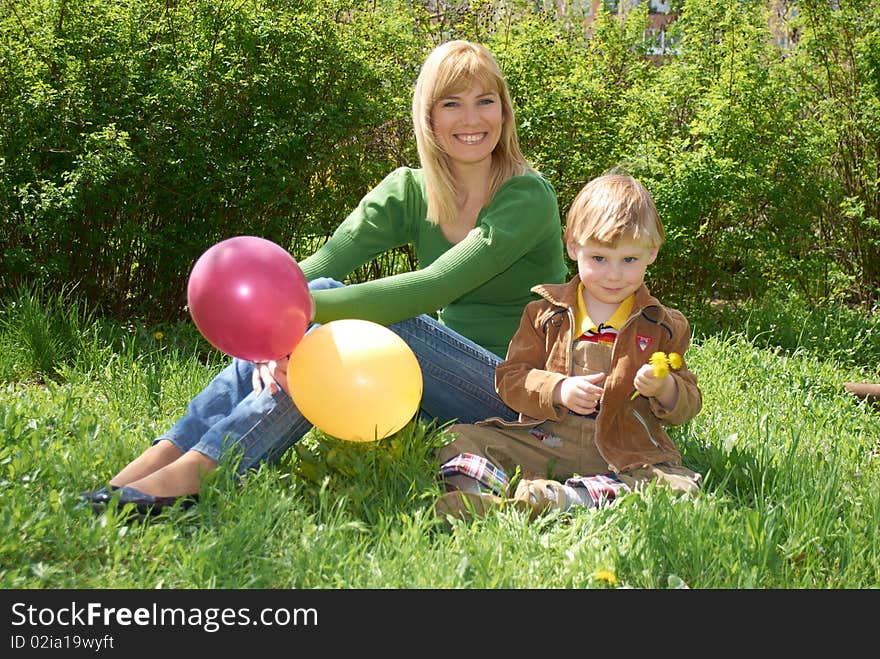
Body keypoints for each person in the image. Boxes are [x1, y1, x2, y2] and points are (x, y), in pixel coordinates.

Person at [79, 40, 568, 515]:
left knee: (350, 314)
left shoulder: (527, 198)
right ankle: (165, 457)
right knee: (314, 317)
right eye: (452, 103)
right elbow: (319, 264)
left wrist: (303, 311)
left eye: (486, 102)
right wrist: (270, 333)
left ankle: (206, 469)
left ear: (503, 114)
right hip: (429, 392)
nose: (471, 119)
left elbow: (435, 285)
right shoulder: (409, 190)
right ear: (430, 118)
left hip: (517, 395)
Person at [433, 172, 703, 522]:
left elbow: (688, 402)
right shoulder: (546, 313)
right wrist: (557, 388)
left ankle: (564, 498)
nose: (614, 275)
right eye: (599, 258)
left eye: (629, 260)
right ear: (573, 247)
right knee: (456, 437)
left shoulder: (662, 324)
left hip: (625, 450)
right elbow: (511, 379)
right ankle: (476, 495)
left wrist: (665, 388)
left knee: (678, 487)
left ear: (651, 253)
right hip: (547, 439)